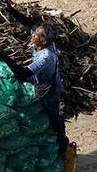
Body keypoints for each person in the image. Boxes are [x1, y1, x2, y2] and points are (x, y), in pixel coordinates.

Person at [22, 24, 68, 153]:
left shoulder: (46, 57)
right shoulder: (44, 43)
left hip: (50, 90)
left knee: (53, 116)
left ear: (43, 40)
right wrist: (13, 13)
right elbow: (28, 22)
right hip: (42, 83)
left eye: (36, 34)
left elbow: (25, 72)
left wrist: (6, 60)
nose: (32, 35)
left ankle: (61, 143)